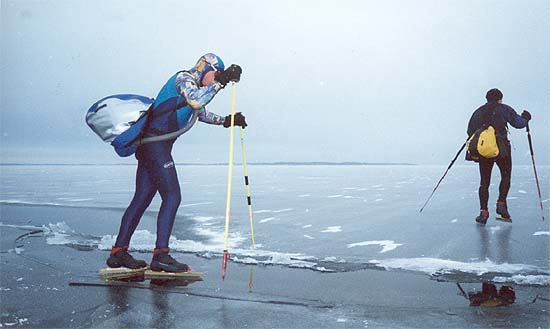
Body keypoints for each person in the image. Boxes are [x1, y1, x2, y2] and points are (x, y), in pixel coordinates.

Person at [106, 53, 247, 272]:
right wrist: (221, 82)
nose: (215, 78)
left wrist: (227, 121)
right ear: (206, 68)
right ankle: (161, 256)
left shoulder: (194, 85)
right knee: (172, 196)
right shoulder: (184, 78)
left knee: (142, 199)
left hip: (152, 146)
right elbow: (195, 100)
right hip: (155, 146)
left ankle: (118, 253)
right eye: (215, 73)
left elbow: (200, 112)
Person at [467, 88, 531, 225]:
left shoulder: (478, 112)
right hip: (502, 149)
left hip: (484, 151)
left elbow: (470, 131)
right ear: (500, 99)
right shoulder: (504, 109)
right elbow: (518, 123)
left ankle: (483, 213)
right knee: (506, 176)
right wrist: (526, 118)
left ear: (487, 98)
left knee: (484, 182)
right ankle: (501, 204)